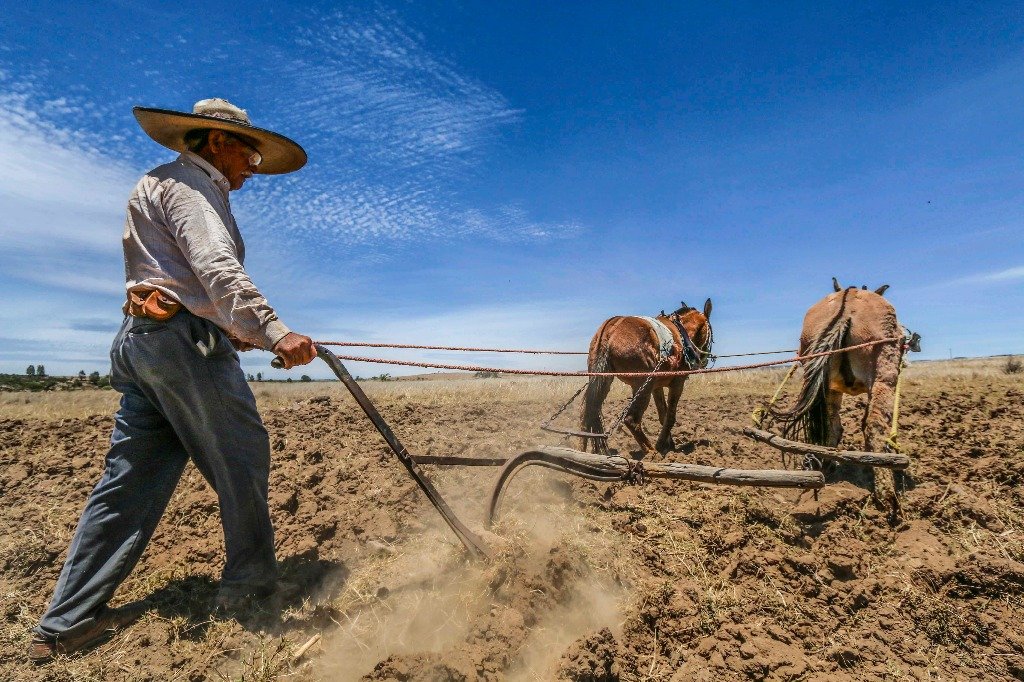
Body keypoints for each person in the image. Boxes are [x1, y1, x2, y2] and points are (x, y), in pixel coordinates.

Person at [29, 98, 317, 662]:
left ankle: (67, 620)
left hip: (143, 342)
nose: (251, 171)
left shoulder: (158, 184)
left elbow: (180, 277)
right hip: (184, 348)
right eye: (248, 156)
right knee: (242, 458)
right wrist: (273, 330)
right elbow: (215, 267)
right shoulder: (191, 188)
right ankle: (250, 591)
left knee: (129, 481)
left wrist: (231, 328)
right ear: (217, 143)